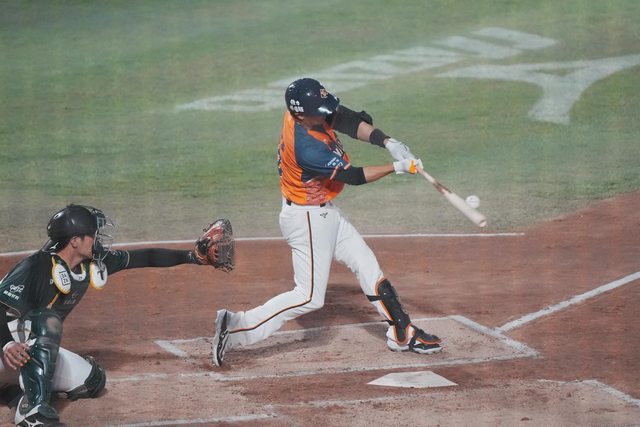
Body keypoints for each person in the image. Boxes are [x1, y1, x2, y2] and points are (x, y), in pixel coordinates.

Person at [211, 77, 442, 367]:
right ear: (300, 115)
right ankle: (235, 327)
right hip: (306, 219)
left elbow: (344, 118)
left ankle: (402, 332)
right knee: (309, 296)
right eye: (318, 112)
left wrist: (387, 141)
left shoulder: (305, 114)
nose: (325, 115)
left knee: (366, 263)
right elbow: (353, 176)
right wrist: (397, 167)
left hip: (323, 212)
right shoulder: (306, 147)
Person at [0, 204, 233, 426]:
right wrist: (7, 344)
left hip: (27, 355)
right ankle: (33, 412)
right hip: (6, 352)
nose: (97, 239)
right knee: (47, 320)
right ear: (75, 241)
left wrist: (194, 257)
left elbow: (145, 257)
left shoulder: (90, 264)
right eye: (92, 234)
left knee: (92, 380)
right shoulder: (36, 267)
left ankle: (14, 392)